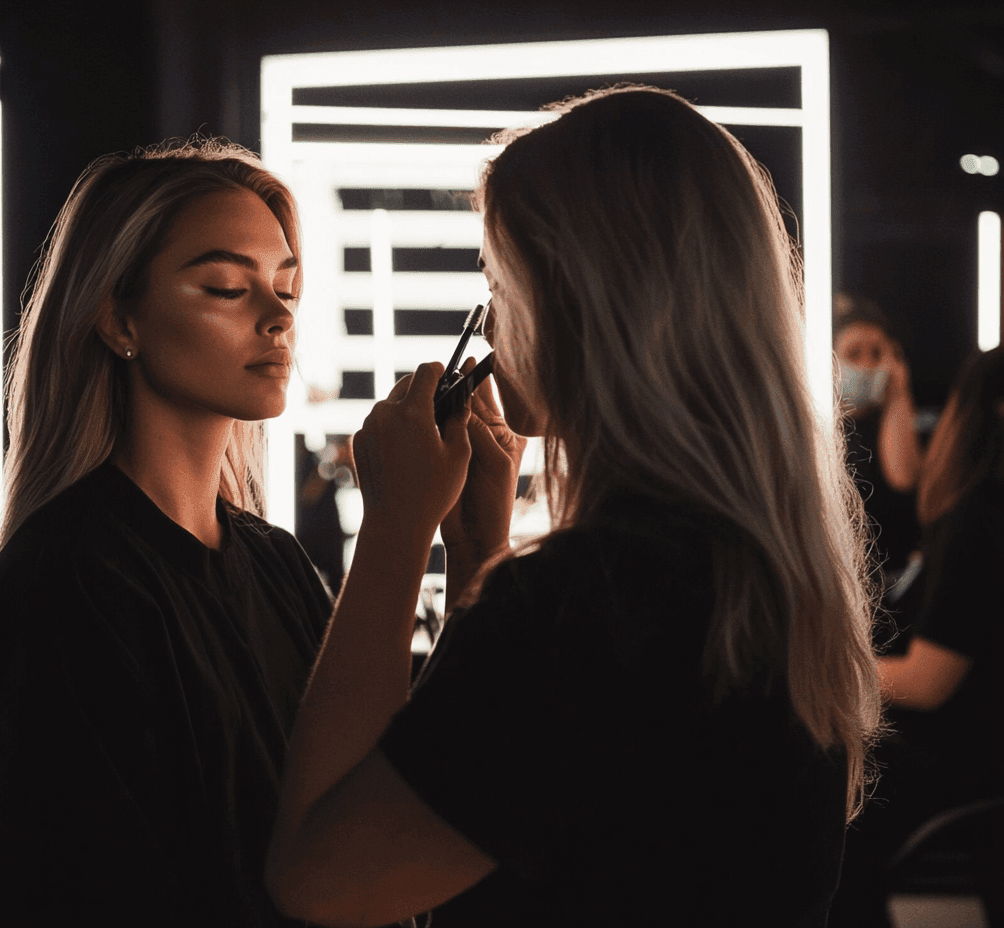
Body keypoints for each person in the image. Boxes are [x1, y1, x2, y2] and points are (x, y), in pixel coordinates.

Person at [264, 86, 883, 927]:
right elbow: (545, 801)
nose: (487, 328)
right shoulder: (760, 568)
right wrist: (477, 548)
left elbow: (319, 879)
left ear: (572, 300)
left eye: (498, 284)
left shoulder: (593, 603)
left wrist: (393, 532)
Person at [0, 139, 332, 927]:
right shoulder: (67, 582)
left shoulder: (278, 564)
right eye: (226, 286)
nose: (278, 314)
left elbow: (362, 824)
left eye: (286, 286)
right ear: (119, 317)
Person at [832, 346, 1004, 926]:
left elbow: (927, 684)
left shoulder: (978, 523)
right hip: (966, 739)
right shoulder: (971, 516)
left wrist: (826, 672)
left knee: (824, 774)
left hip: (961, 756)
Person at [834, 294, 924, 587]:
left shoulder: (892, 420)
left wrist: (898, 393)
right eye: (854, 353)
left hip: (892, 583)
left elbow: (903, 480)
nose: (867, 364)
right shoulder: (819, 428)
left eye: (877, 353)